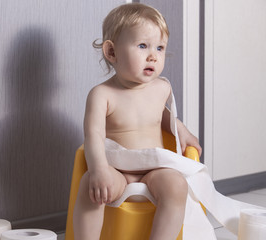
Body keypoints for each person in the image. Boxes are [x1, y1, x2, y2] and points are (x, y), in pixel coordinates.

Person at [73, 3, 202, 240]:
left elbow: (162, 116)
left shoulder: (161, 87)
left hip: (154, 169)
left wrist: (180, 129)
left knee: (177, 186)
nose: (153, 55)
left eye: (160, 47)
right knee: (89, 186)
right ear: (112, 52)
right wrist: (99, 170)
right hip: (118, 169)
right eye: (143, 46)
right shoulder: (102, 94)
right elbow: (93, 136)